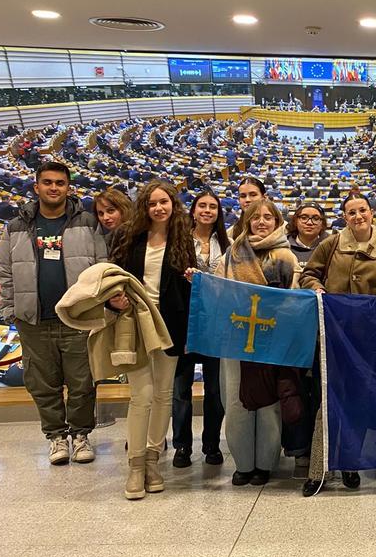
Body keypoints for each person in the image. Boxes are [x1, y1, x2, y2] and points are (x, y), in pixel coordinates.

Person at [0, 162, 106, 465]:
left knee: (83, 383)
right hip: (33, 320)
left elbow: (102, 266)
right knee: (43, 384)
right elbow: (4, 272)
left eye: (60, 183)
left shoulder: (87, 222)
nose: (54, 188)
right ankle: (56, 436)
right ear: (36, 187)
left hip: (78, 318)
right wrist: (10, 311)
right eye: (47, 182)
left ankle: (81, 435)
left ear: (69, 187)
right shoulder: (16, 226)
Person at [298, 194, 376, 496]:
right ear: (344, 217)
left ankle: (350, 464)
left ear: (372, 213)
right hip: (329, 334)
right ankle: (318, 469)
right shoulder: (330, 245)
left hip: (364, 340)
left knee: (356, 403)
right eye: (351, 212)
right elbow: (309, 274)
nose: (358, 216)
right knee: (325, 402)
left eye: (362, 211)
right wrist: (316, 287)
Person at [109, 181, 197, 499]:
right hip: (136, 323)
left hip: (171, 324)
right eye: (152, 203)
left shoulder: (182, 239)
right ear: (144, 207)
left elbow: (189, 287)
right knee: (141, 396)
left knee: (162, 395)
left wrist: (191, 280)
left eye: (164, 202)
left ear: (173, 204)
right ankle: (134, 465)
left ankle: (152, 459)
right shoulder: (127, 237)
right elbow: (111, 278)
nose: (158, 208)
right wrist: (113, 301)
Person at [220, 198, 302, 486]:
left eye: (268, 217)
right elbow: (220, 290)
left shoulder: (285, 257)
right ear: (247, 220)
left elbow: (294, 299)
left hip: (271, 338)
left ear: (278, 222)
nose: (262, 221)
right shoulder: (232, 254)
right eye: (256, 217)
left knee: (269, 402)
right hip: (236, 338)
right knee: (237, 401)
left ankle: (265, 464)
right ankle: (243, 463)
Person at [171, 190, 229, 469]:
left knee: (215, 390)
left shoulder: (226, 243)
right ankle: (182, 446)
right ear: (193, 211)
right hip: (184, 321)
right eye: (202, 206)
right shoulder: (178, 241)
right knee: (180, 389)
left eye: (212, 207)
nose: (207, 210)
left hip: (215, 323)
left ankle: (212, 445)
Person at [287, 201, 328, 266]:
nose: (309, 222)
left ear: (322, 224)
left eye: (316, 218)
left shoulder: (331, 247)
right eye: (304, 218)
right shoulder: (283, 246)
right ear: (295, 221)